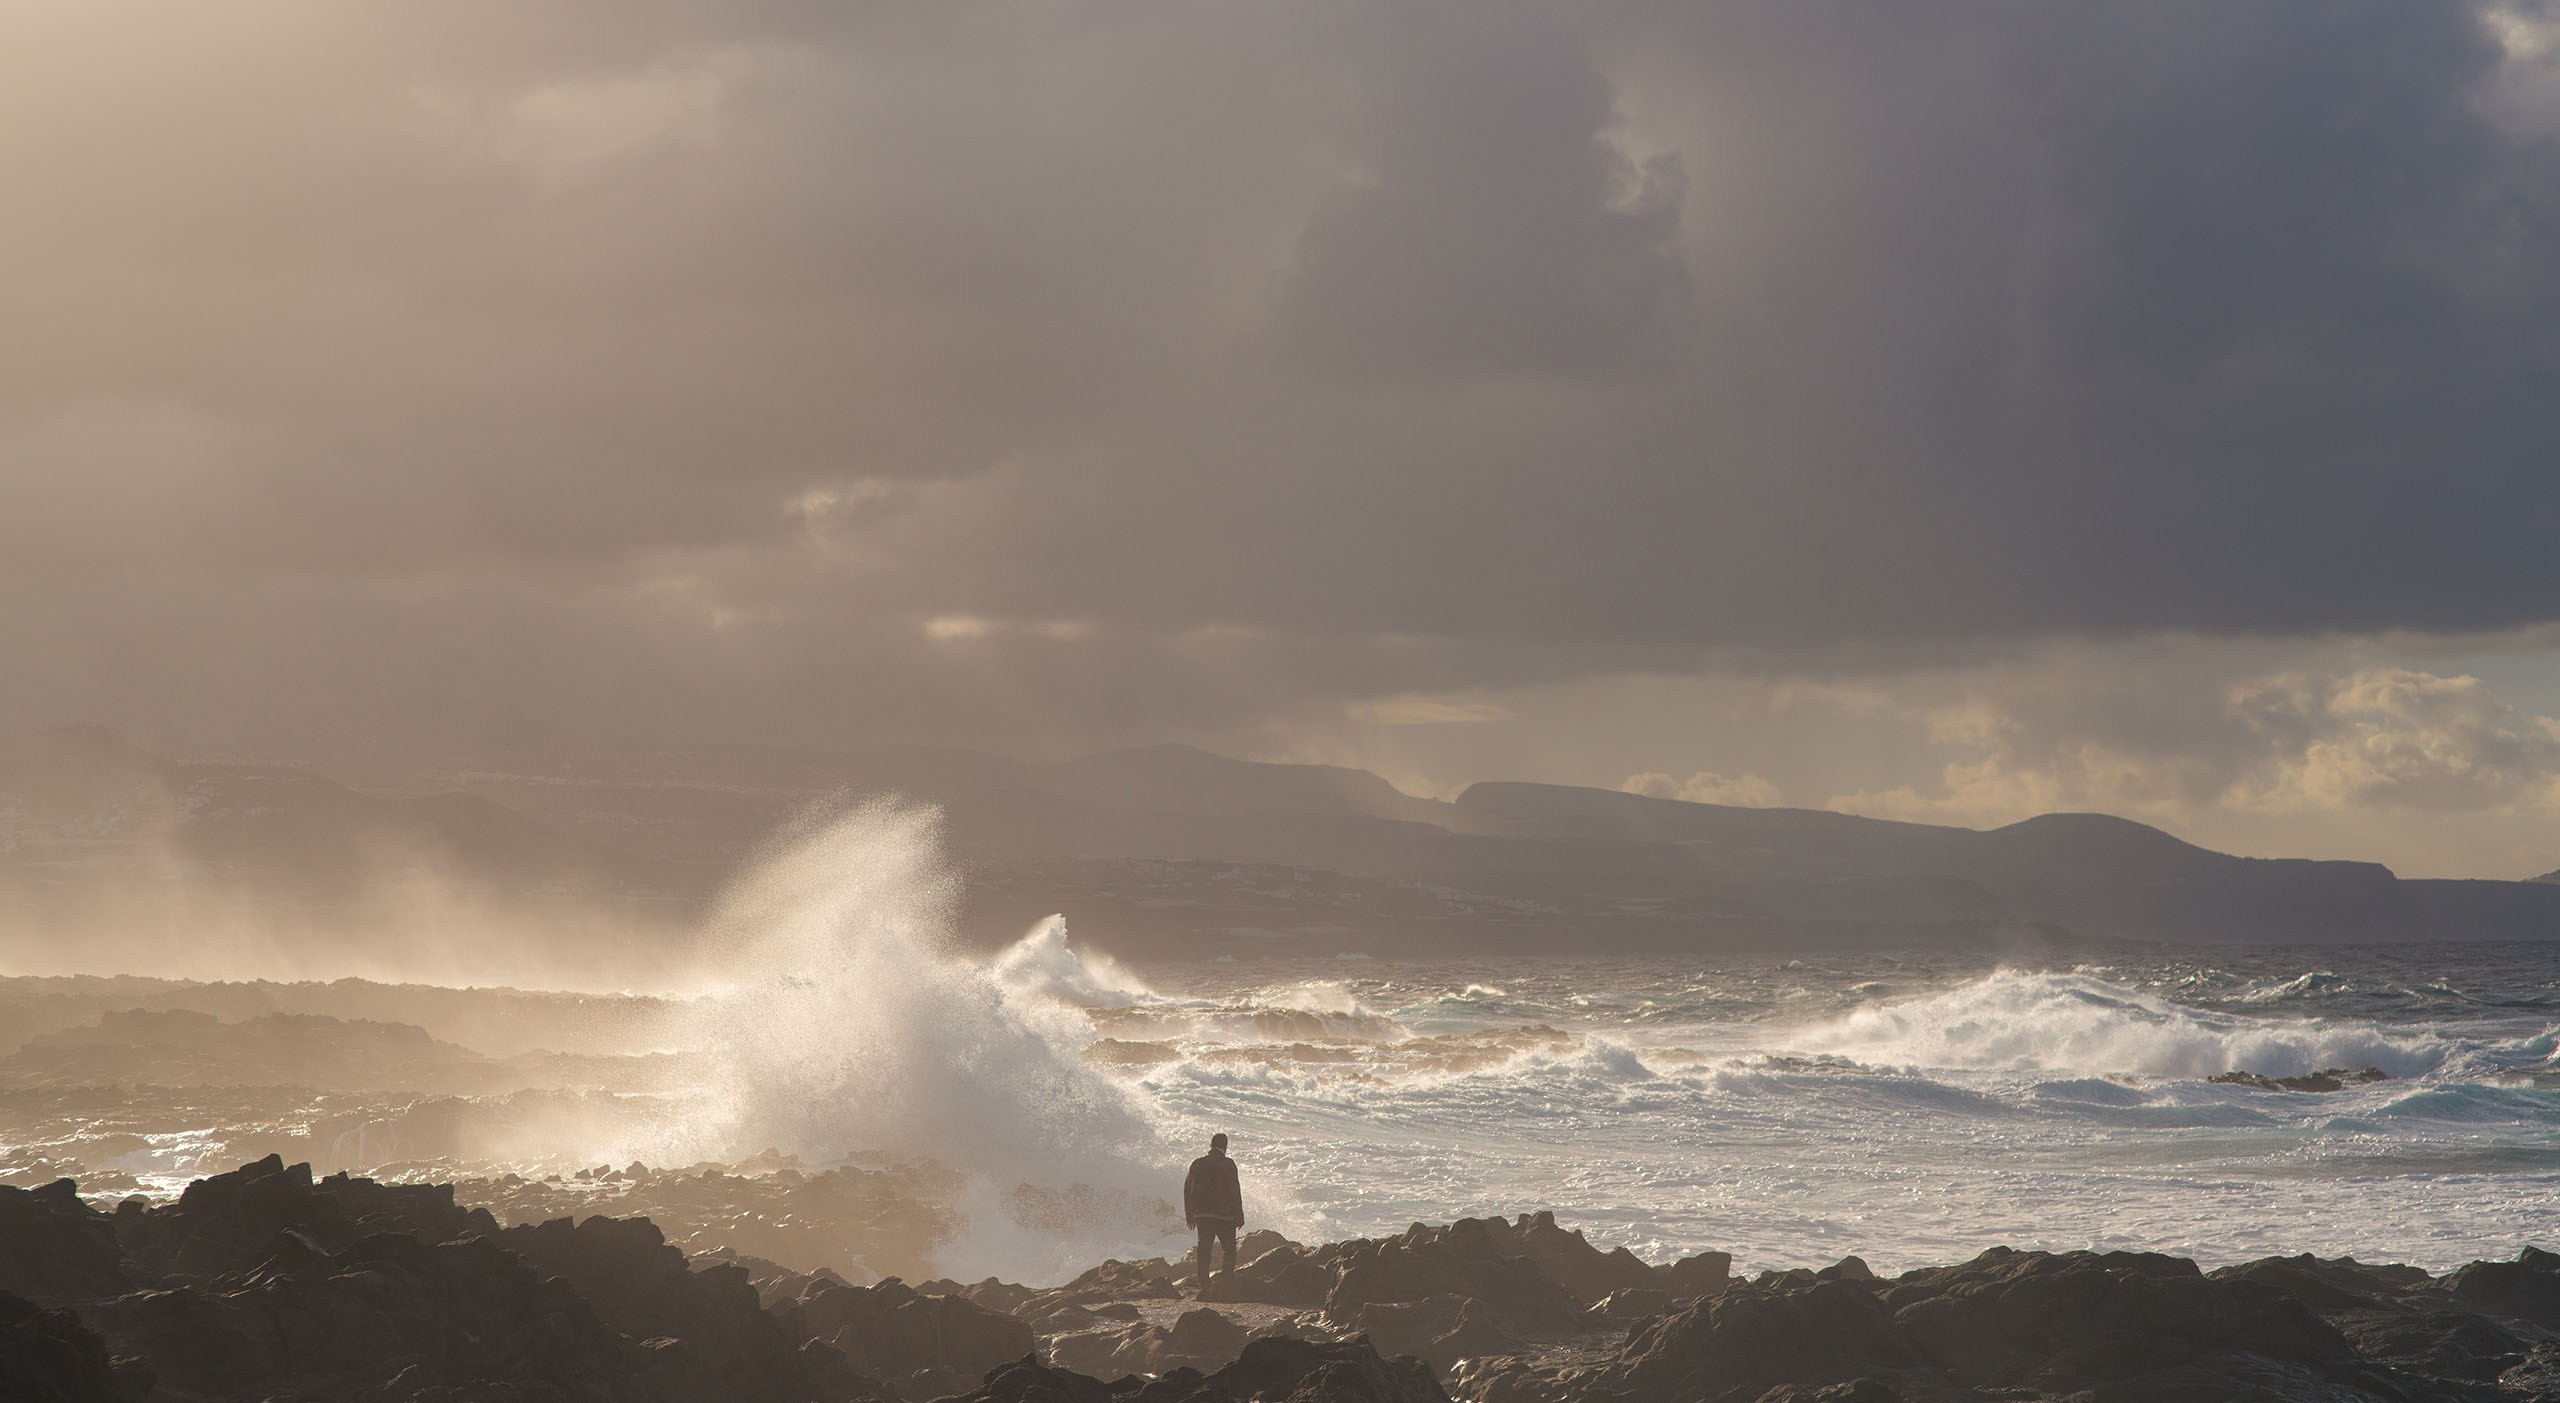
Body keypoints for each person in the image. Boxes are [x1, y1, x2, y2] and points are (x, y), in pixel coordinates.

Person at [1182, 1132, 1243, 1289]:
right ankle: (1227, 1281)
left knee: (1204, 1250)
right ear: (1225, 1146)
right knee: (1229, 1249)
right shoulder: (1228, 1164)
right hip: (1224, 1216)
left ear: (1211, 1145)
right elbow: (1234, 1190)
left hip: (1202, 1215)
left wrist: (1190, 1214)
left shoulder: (1197, 1164)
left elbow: (1187, 1189)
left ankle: (1204, 1283)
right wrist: (1239, 1214)